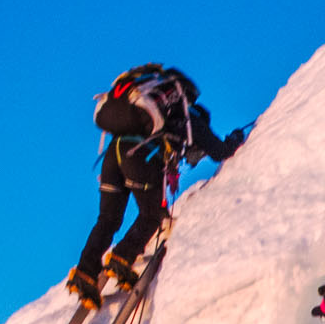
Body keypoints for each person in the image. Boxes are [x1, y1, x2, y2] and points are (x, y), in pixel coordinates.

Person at [68, 63, 243, 305]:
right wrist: (235, 139)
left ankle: (85, 273)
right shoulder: (188, 116)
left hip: (113, 154)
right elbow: (219, 151)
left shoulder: (149, 109)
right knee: (152, 215)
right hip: (140, 155)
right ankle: (121, 259)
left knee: (108, 218)